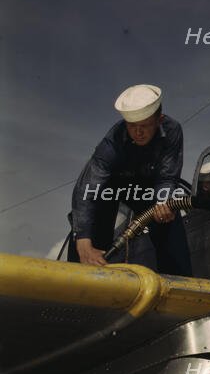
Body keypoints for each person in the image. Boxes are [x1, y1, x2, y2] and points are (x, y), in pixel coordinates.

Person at [68, 83, 192, 276]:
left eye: (144, 126)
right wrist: (82, 240)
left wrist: (162, 202)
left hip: (148, 187)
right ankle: (78, 281)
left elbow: (167, 176)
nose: (138, 132)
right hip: (111, 187)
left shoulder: (173, 130)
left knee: (167, 217)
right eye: (132, 126)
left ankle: (178, 283)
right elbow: (87, 189)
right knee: (93, 223)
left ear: (160, 120)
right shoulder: (112, 142)